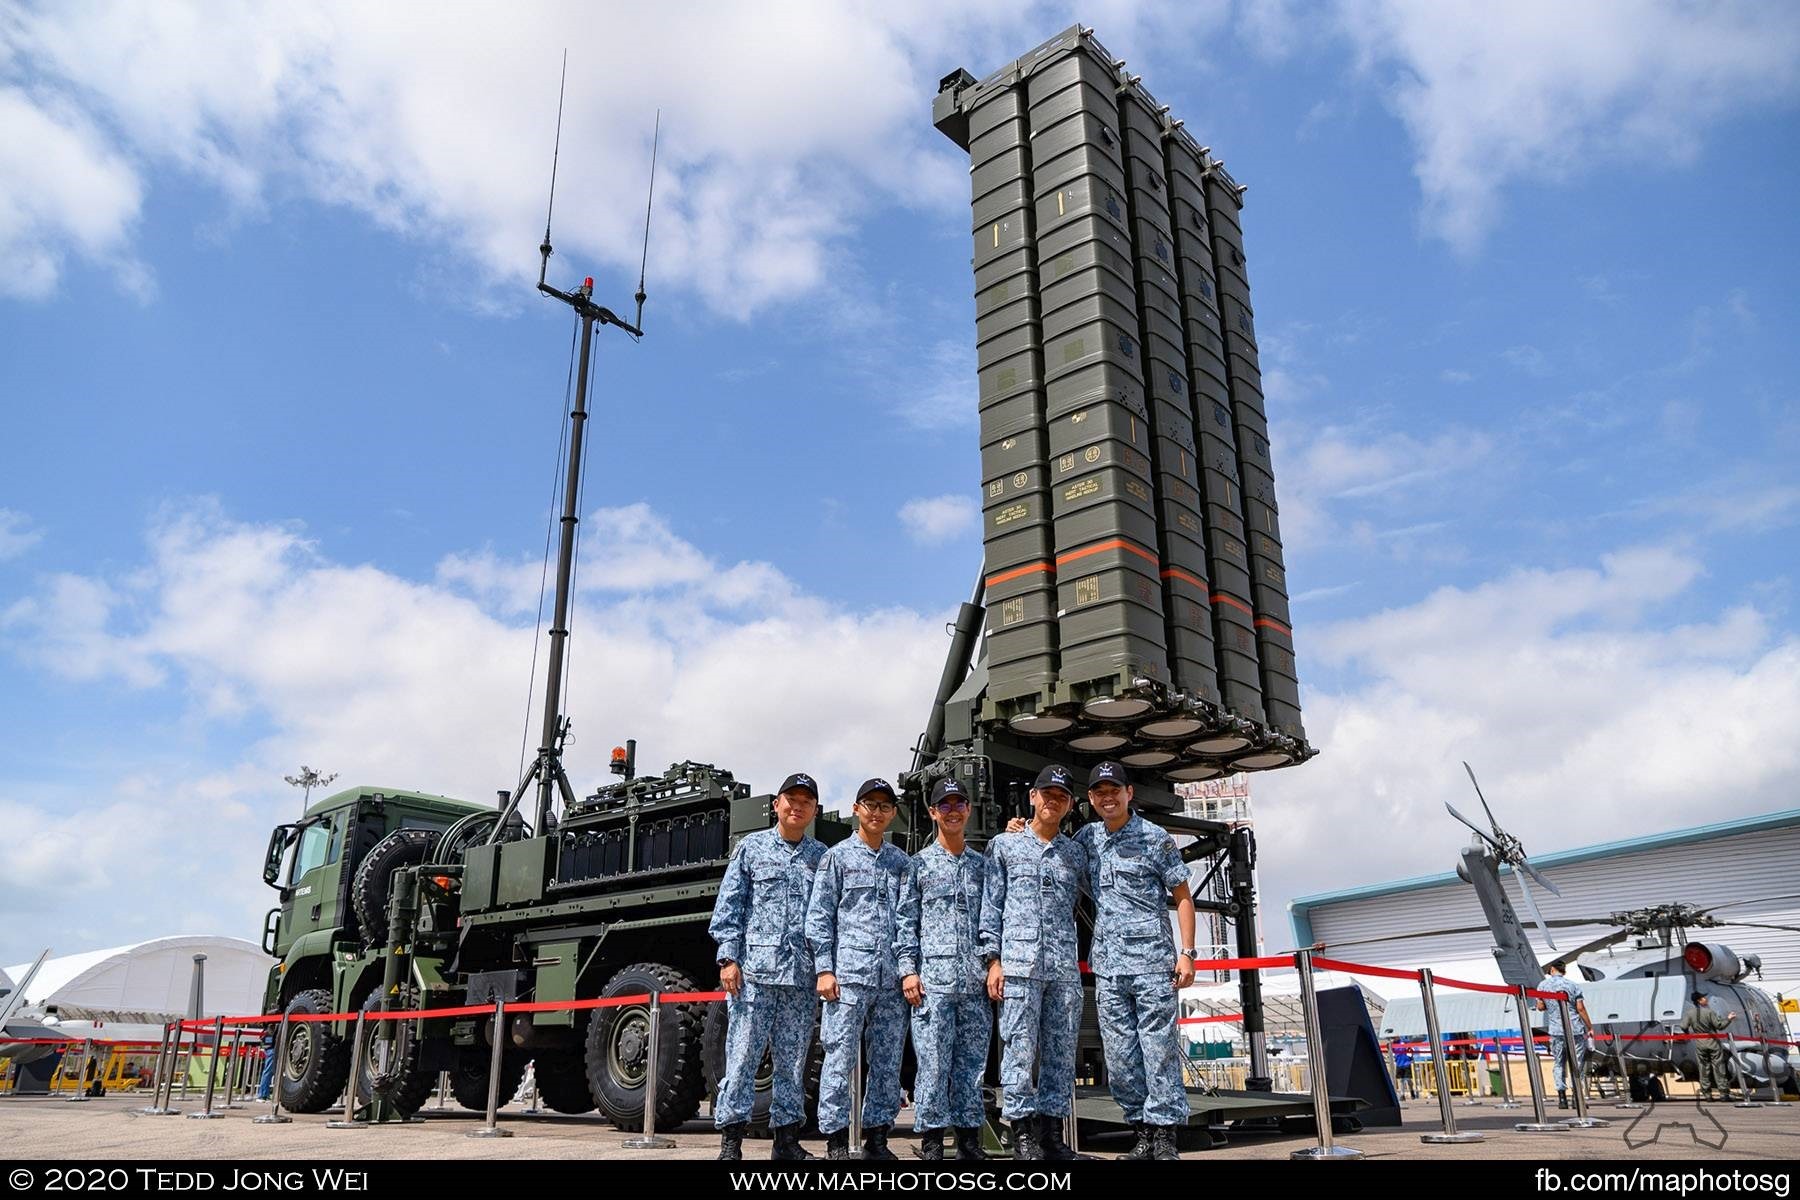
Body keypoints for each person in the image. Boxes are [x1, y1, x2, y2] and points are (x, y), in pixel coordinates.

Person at [1070, 761, 1196, 1161]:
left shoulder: (1154, 838)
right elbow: (1050, 847)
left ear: (1129, 794)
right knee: (1121, 1056)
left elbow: (1183, 897)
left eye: (1114, 790)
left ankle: (1164, 1137)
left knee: (1158, 1050)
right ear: (1091, 799)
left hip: (1152, 964)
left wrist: (1187, 953)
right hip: (1108, 967)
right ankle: (1140, 1129)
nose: (1108, 798)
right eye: (1099, 792)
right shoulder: (1087, 839)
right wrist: (1019, 829)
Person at [709, 771, 828, 1161]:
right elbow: (730, 906)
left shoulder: (820, 858)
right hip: (754, 976)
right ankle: (731, 1143)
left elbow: (825, 916)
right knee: (742, 1057)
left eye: (805, 801)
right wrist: (728, 958)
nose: (797, 806)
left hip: (799, 977)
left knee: (794, 1063)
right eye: (790, 799)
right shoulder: (752, 848)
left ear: (813, 810)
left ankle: (787, 1142)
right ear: (776, 805)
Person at [978, 764, 1084, 1161]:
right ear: (1033, 798)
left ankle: (1053, 1136)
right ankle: (1023, 1134)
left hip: (1062, 970)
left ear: (1069, 805)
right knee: (1018, 1050)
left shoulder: (1075, 853)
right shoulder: (1004, 846)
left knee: (1060, 1053)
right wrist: (993, 960)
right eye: (1047, 793)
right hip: (1019, 967)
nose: (1052, 801)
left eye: (1061, 796)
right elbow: (991, 906)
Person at [806, 777, 911, 1160]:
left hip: (890, 981)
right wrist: (824, 969)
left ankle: (877, 1139)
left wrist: (906, 969)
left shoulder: (902, 863)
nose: (877, 812)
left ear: (893, 814)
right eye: (870, 805)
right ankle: (835, 1142)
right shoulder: (837, 858)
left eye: (885, 807)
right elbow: (819, 918)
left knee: (887, 1061)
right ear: (856, 809)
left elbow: (908, 921)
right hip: (848, 978)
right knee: (838, 1058)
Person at [896, 777, 991, 1162]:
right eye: (945, 805)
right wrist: (908, 970)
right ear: (933, 812)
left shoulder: (983, 867)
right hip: (932, 984)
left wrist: (992, 965)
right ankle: (933, 1140)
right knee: (933, 1065)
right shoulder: (917, 866)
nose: (953, 811)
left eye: (959, 804)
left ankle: (969, 1142)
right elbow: (906, 923)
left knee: (972, 1068)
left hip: (974, 984)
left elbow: (992, 921)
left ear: (968, 810)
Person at [1535, 960, 1593, 1109]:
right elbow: (1580, 1008)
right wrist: (1590, 1026)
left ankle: (1562, 1097)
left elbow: (1540, 1007)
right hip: (1575, 1029)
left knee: (1559, 1062)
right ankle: (1577, 1097)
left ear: (1552, 969)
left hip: (1556, 1030)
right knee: (1577, 1063)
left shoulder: (1542, 986)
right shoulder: (1573, 985)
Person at [1682, 992, 1739, 1101]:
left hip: (1699, 1044)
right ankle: (1723, 1094)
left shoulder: (1690, 1013)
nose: (1705, 999)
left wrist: (1688, 1034)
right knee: (1719, 1068)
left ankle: (1707, 1095)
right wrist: (1729, 1018)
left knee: (1703, 1069)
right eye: (1703, 998)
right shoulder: (1709, 1012)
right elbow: (1719, 1026)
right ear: (1699, 1000)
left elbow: (1683, 1026)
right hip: (1713, 1044)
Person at [255, 1023, 277, 1101]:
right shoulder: (273, 1025)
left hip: (269, 1047)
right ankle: (262, 1094)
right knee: (268, 1071)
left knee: (268, 1071)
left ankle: (265, 1094)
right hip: (272, 1048)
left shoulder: (269, 1026)